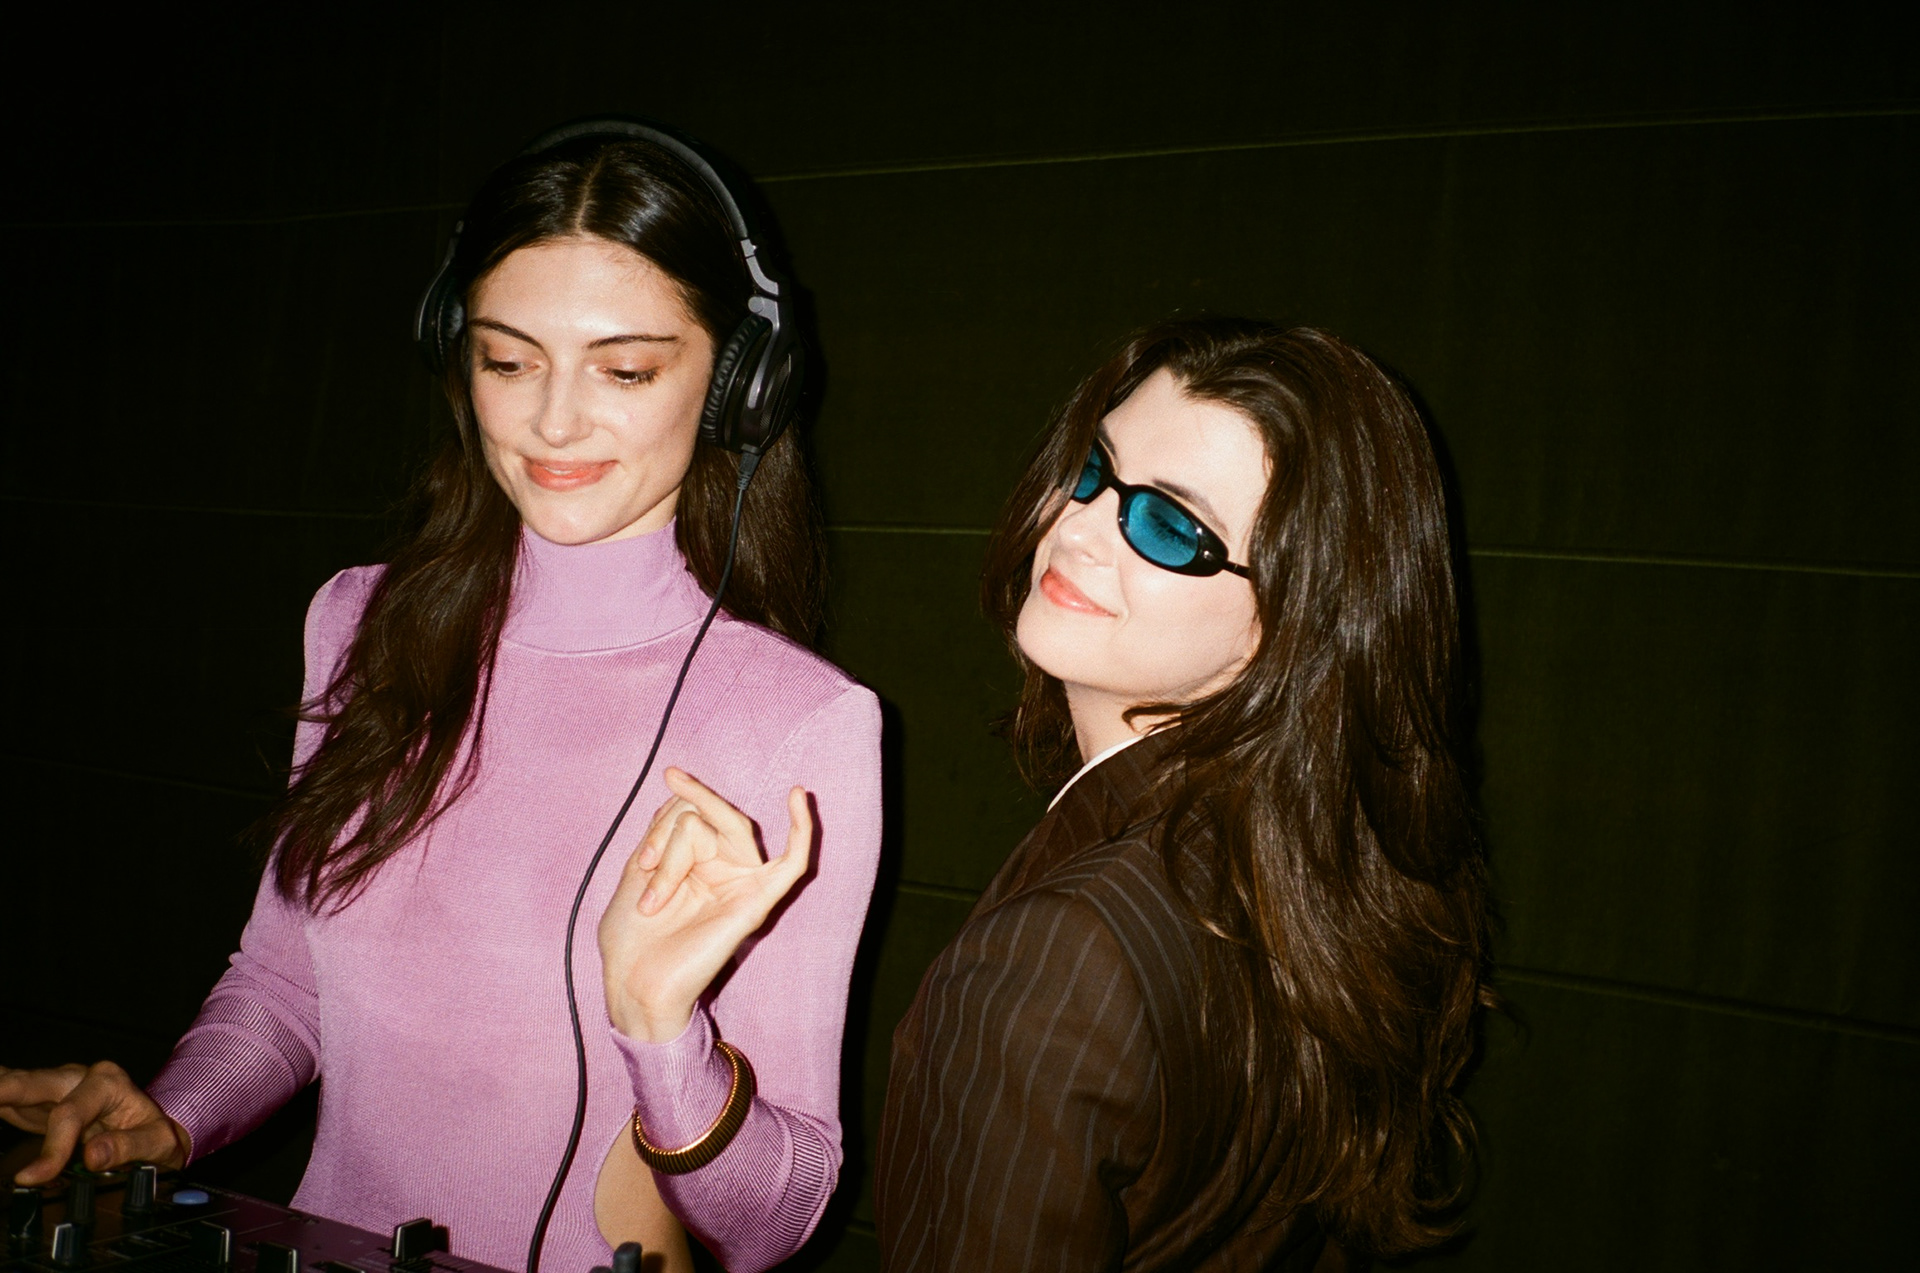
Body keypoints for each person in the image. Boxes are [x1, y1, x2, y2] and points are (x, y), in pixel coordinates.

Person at [0, 123, 883, 1273]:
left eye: (624, 371)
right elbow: (285, 981)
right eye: (509, 361)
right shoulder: (357, 622)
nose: (554, 421)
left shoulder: (800, 722)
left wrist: (666, 1035)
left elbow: (772, 1224)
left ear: (737, 386)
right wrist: (173, 1118)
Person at [875, 319, 1493, 1269]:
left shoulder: (1053, 962)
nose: (1077, 527)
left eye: (1170, 525)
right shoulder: (1329, 877)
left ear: (1293, 621)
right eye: (1093, 469)